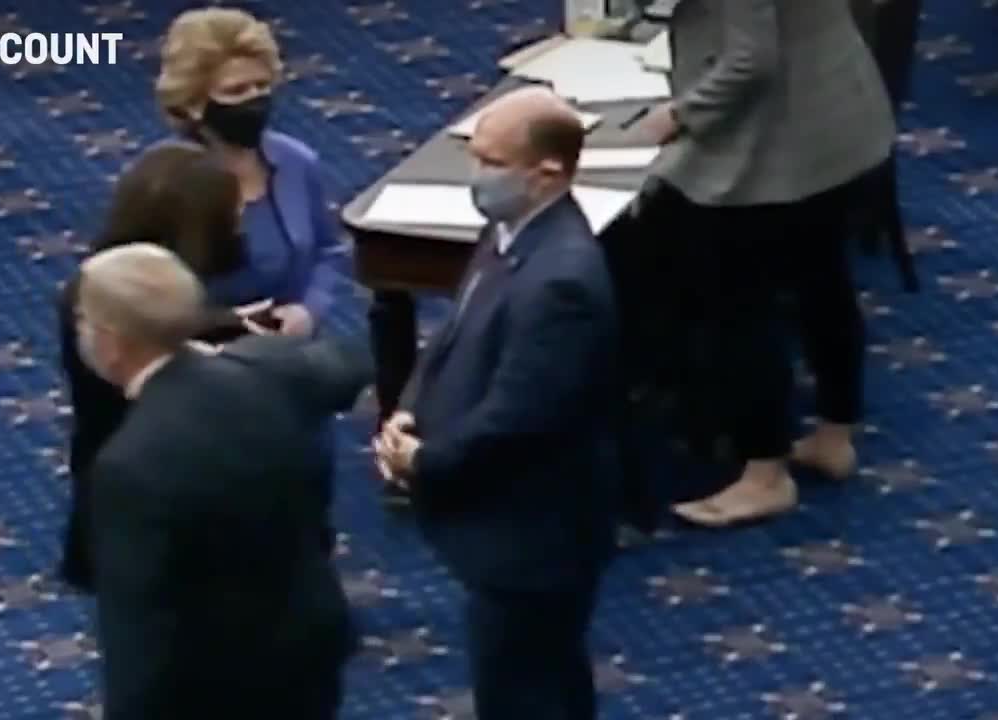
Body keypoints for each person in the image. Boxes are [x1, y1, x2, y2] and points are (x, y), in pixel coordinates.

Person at [375, 87, 619, 720]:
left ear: (546, 174)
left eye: (490, 161)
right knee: (538, 676)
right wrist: (409, 410)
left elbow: (521, 416)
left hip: (534, 531)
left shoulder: (562, 280)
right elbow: (454, 332)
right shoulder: (510, 231)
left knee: (525, 690)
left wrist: (423, 463)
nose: (476, 175)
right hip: (507, 517)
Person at [76, 243, 371, 720]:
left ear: (110, 340)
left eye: (84, 320)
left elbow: (140, 628)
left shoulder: (130, 464)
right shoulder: (266, 370)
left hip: (213, 687)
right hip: (308, 645)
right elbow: (351, 364)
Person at [630, 0, 896, 526]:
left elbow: (751, 62)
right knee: (823, 279)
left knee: (739, 305)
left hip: (771, 142)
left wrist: (679, 115)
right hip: (836, 118)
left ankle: (764, 474)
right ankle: (833, 435)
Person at [58, 142, 250, 592]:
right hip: (145, 494)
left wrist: (227, 325)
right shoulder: (105, 314)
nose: (241, 221)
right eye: (232, 213)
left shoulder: (108, 285)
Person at [155, 6, 345, 335]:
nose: (254, 100)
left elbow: (328, 251)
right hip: (201, 354)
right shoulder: (163, 181)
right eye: (236, 91)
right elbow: (138, 296)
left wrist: (308, 311)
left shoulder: (296, 162)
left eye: (261, 86)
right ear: (192, 104)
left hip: (286, 345)